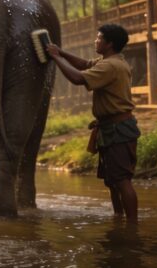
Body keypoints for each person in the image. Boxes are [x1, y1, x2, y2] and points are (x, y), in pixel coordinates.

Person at [46, 24, 140, 222]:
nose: (95, 41)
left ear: (109, 43)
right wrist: (61, 52)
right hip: (110, 128)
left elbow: (78, 78)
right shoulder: (111, 61)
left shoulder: (110, 66)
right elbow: (84, 65)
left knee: (122, 180)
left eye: (99, 38)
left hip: (118, 130)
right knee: (113, 181)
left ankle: (132, 227)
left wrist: (55, 58)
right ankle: (119, 218)